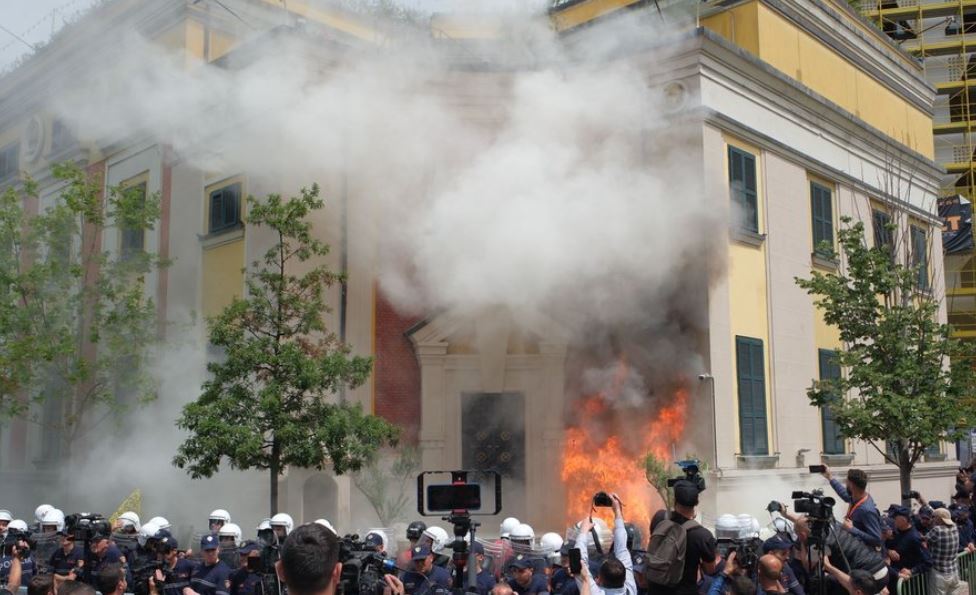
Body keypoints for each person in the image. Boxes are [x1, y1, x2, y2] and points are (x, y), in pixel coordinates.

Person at [645, 480, 717, 595]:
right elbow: (710, 570)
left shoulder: (659, 520)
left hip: (655, 589)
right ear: (696, 503)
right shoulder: (703, 535)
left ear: (675, 500)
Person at [575, 493, 636, 595]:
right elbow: (622, 550)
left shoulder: (593, 592)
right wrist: (618, 511)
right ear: (625, 579)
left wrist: (583, 530)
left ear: (599, 580)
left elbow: (622, 550)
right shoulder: (630, 590)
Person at [821, 467, 882, 548]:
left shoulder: (867, 510)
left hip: (863, 555)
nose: (845, 484)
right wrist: (829, 477)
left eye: (847, 482)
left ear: (852, 485)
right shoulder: (857, 497)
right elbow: (844, 494)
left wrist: (852, 529)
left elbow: (876, 540)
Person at [885, 506, 931, 587]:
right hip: (894, 578)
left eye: (895, 519)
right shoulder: (895, 532)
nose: (893, 521)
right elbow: (882, 547)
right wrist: (888, 551)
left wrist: (912, 571)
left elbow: (928, 562)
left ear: (903, 520)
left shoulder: (915, 537)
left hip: (909, 583)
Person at [926, 509, 960, 595]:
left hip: (940, 573)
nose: (932, 519)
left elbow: (924, 540)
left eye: (934, 517)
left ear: (939, 519)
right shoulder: (955, 527)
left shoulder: (937, 530)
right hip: (954, 572)